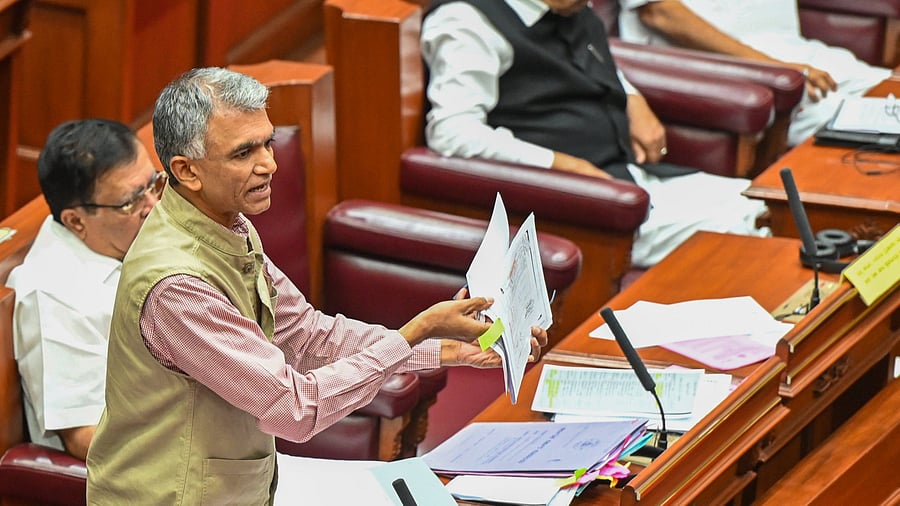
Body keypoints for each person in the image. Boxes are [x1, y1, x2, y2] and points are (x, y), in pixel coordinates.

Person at [85, 67, 547, 504]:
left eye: (267, 144)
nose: (269, 164)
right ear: (187, 170)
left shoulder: (226, 224)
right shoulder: (176, 287)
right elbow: (294, 407)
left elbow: (309, 336)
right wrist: (414, 334)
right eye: (244, 153)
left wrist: (448, 348)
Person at [421, 0, 770, 268]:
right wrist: (560, 165)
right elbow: (452, 132)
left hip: (635, 175)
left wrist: (631, 97)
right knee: (752, 229)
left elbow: (586, 60)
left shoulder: (567, 7)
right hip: (580, 206)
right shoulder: (467, 23)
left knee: (775, 203)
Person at [6, 119, 163, 461]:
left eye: (153, 185)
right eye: (131, 202)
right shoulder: (54, 295)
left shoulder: (128, 237)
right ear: (77, 221)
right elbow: (85, 436)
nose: (153, 206)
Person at [616, 0, 892, 146]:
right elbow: (661, 13)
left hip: (795, 49)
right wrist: (771, 66)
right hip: (726, 68)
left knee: (887, 89)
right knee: (842, 120)